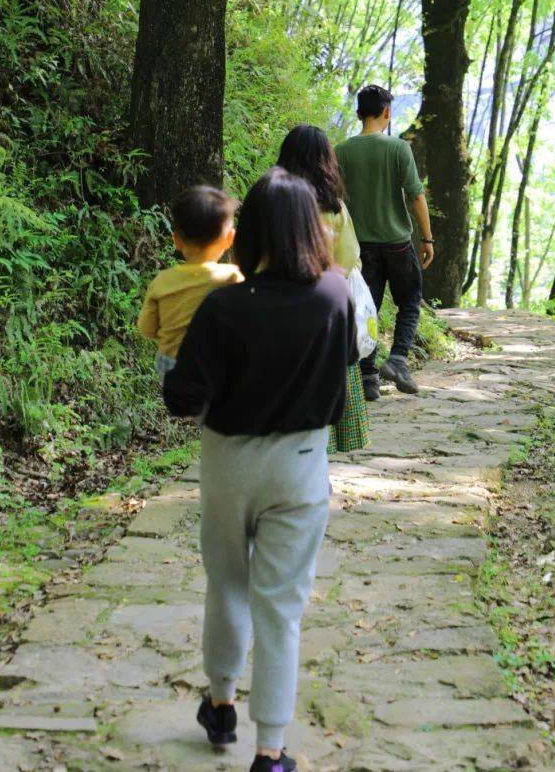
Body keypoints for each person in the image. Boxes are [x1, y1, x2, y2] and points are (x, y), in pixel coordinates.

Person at [163, 169, 356, 772]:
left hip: (228, 462)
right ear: (310, 227)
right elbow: (344, 378)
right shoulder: (335, 295)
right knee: (281, 606)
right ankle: (270, 750)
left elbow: (182, 398)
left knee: (226, 583)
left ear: (248, 233)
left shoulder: (224, 306)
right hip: (300, 465)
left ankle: (220, 705)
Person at [335, 84, 434, 401]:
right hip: (397, 243)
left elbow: (335, 199)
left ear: (358, 113)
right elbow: (416, 195)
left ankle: (367, 378)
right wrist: (428, 238)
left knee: (368, 308)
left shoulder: (342, 152)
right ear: (387, 113)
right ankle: (398, 359)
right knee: (409, 300)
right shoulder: (398, 149)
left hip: (362, 247)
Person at [276, 124, 370, 453]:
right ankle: (319, 463)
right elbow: (349, 259)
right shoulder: (334, 208)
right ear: (325, 161)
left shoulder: (274, 202)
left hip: (281, 309)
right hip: (325, 311)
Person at [137, 185, 241, 385]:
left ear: (176, 240)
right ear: (229, 239)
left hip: (170, 369)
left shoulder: (162, 281)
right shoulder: (233, 277)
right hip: (214, 366)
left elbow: (147, 329)